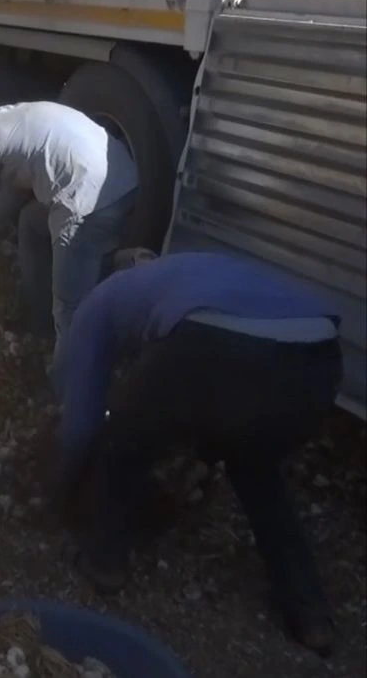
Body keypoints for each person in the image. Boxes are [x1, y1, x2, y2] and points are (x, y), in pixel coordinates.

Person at [49, 249, 344, 655]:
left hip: (218, 344)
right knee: (258, 473)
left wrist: (63, 489)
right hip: (318, 362)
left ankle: (104, 561)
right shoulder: (196, 270)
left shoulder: (104, 298)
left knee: (123, 445)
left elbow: (82, 417)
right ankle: (311, 616)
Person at [0, 89, 139, 363]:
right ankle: (39, 323)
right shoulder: (6, 120)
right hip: (125, 180)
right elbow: (8, 197)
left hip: (87, 201)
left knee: (69, 310)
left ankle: (65, 389)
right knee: (30, 222)